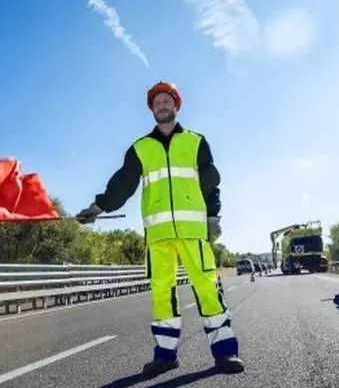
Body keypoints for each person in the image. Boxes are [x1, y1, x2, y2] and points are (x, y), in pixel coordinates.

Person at [76, 81, 245, 377]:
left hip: (194, 234)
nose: (162, 105)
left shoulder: (196, 142)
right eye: (157, 102)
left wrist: (213, 218)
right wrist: (98, 207)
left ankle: (225, 354)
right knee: (161, 295)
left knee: (207, 289)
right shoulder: (140, 149)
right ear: (152, 109)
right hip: (158, 237)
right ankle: (165, 357)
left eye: (167, 100)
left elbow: (210, 183)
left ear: (176, 105)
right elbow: (122, 184)